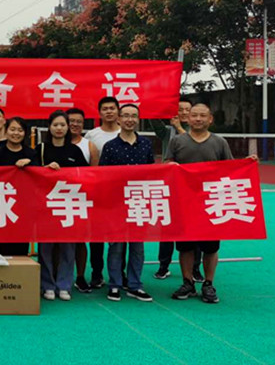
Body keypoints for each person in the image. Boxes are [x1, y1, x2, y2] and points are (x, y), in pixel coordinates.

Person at [167, 102, 257, 304]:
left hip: (212, 202)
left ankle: (208, 283)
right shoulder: (177, 141)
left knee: (210, 247)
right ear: (188, 118)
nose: (198, 119)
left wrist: (247, 163)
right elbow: (167, 164)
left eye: (202, 115)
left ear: (210, 119)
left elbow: (231, 168)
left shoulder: (219, 142)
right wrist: (170, 165)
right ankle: (187, 282)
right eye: (194, 115)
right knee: (185, 246)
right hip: (185, 202)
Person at [99, 104, 155, 302]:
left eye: (134, 116)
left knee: (137, 247)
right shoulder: (110, 146)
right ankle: (114, 284)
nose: (130, 119)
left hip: (139, 202)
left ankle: (135, 285)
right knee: (116, 246)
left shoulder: (146, 144)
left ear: (138, 119)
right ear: (119, 119)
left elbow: (152, 172)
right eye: (126, 116)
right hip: (116, 204)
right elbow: (102, 176)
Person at [36, 111, 88, 301]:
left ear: (68, 128)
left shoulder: (75, 151)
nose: (59, 128)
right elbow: (32, 173)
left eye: (63, 125)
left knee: (68, 248)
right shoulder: (41, 149)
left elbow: (86, 174)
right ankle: (47, 285)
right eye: (55, 125)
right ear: (49, 127)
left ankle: (64, 285)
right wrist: (45, 170)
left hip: (68, 205)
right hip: (46, 205)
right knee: (45, 248)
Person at [156, 96, 198, 280]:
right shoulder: (167, 132)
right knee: (167, 227)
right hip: (170, 185)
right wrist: (158, 104)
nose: (183, 113)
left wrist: (179, 127)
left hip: (191, 186)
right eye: (180, 109)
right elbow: (154, 121)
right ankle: (163, 265)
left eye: (187, 110)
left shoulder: (197, 132)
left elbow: (191, 143)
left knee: (194, 228)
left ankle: (195, 268)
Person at [85, 96, 121, 289]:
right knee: (96, 237)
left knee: (119, 238)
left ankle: (119, 274)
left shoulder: (126, 132)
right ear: (99, 113)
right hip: (98, 193)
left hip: (120, 195)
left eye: (112, 108)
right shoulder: (92, 135)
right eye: (105, 109)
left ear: (118, 111)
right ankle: (97, 273)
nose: (109, 111)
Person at [66, 107, 99, 293]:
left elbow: (95, 175)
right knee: (56, 242)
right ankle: (56, 277)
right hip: (57, 199)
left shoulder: (89, 146)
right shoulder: (52, 144)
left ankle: (80, 276)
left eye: (79, 121)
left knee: (80, 241)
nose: (75, 124)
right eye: (71, 121)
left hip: (80, 200)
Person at [0, 117, 36, 257]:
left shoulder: (31, 154)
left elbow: (38, 176)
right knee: (4, 245)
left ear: (25, 133)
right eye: (12, 129)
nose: (16, 133)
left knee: (21, 246)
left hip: (24, 206)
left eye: (20, 130)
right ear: (6, 131)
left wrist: (30, 164)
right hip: (3, 204)